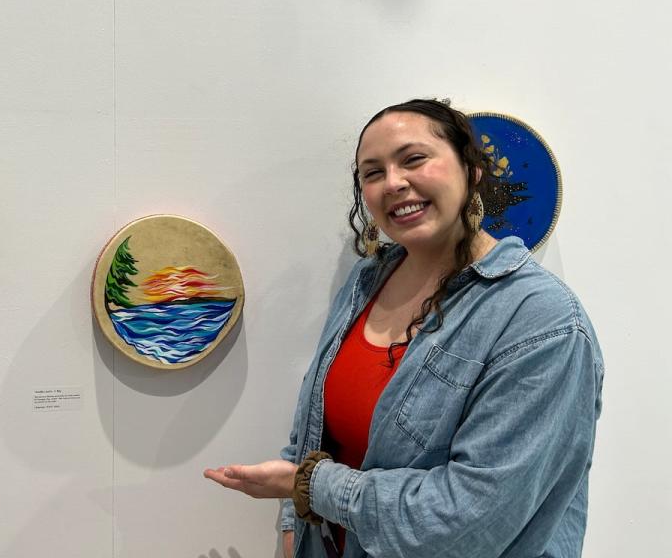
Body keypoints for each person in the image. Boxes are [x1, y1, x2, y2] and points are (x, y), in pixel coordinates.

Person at [204, 98, 603, 558]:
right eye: (372, 173)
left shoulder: (543, 320)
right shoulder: (368, 279)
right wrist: (297, 525)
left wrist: (310, 487)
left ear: (471, 170)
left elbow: (465, 522)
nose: (393, 183)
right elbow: (312, 432)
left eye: (414, 159)